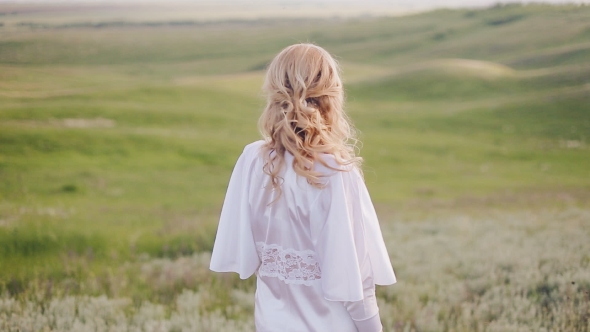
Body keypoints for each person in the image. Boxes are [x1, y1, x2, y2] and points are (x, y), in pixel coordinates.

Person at [210, 43, 396, 332]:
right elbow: (355, 281)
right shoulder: (333, 171)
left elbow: (252, 257)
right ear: (330, 97)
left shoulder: (252, 160)